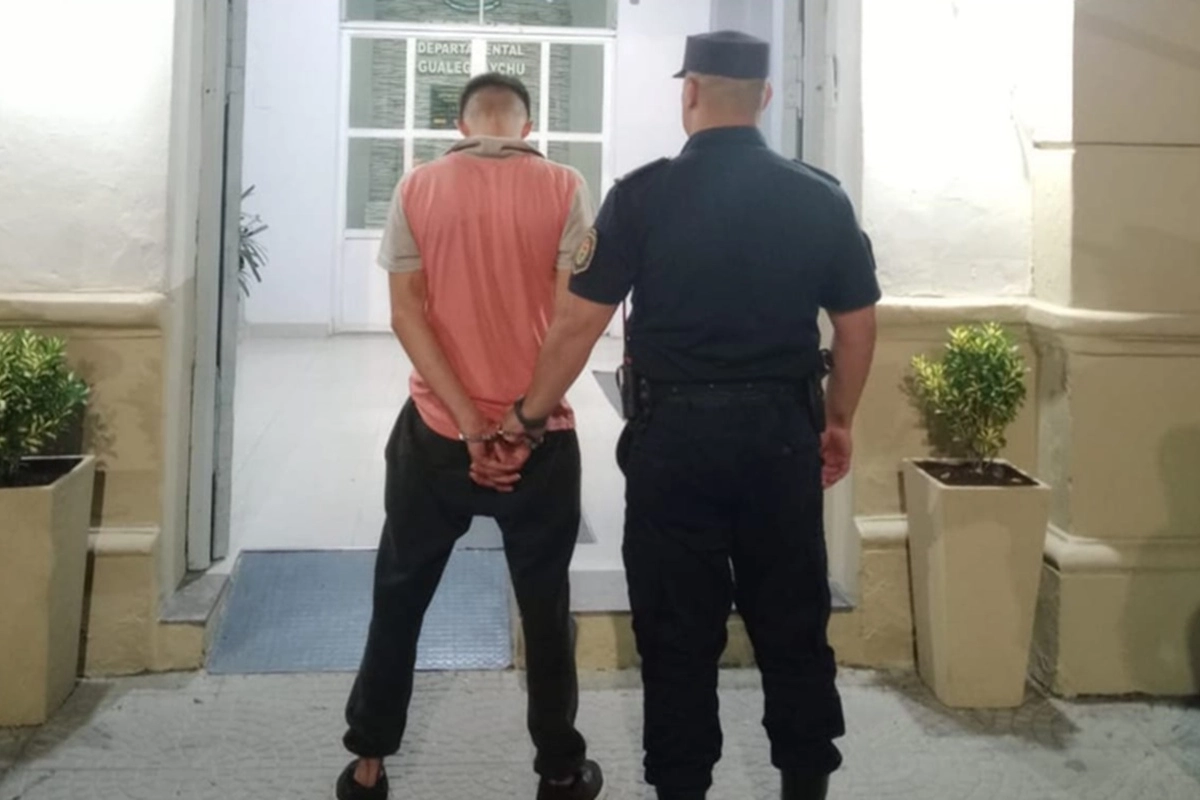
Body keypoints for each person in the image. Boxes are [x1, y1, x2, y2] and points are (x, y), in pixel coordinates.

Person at [496, 31, 880, 800]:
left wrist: (529, 416)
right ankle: (805, 785)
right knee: (793, 626)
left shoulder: (642, 197)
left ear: (690, 92)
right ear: (764, 98)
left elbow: (576, 326)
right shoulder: (820, 196)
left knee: (675, 635)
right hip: (781, 441)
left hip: (673, 444)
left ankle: (681, 787)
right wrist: (837, 421)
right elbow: (858, 326)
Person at [336, 73, 605, 800]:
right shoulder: (564, 186)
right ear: (526, 127)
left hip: (434, 432)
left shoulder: (418, 187)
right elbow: (573, 317)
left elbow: (406, 314)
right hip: (538, 436)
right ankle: (560, 768)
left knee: (400, 593)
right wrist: (523, 419)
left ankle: (367, 762)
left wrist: (466, 423)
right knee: (545, 608)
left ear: (461, 126)